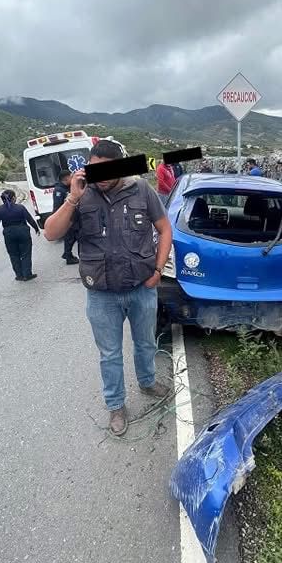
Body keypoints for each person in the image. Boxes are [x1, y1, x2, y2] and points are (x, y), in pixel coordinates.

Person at [43, 140, 174, 437]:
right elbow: (50, 233)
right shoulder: (81, 195)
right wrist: (72, 199)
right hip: (102, 294)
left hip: (142, 287)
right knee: (110, 354)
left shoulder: (142, 190)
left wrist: (157, 271)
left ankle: (148, 381)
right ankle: (116, 405)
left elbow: (165, 229)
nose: (98, 176)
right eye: (93, 169)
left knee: (145, 344)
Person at [0, 189, 40, 281]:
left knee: (13, 255)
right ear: (13, 198)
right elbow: (29, 219)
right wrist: (36, 228)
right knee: (26, 253)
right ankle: (27, 274)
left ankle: (19, 275)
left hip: (9, 234)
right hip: (23, 232)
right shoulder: (20, 207)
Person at [52, 169, 79, 265]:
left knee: (73, 237)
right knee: (70, 237)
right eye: (71, 177)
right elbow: (57, 206)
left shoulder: (67, 187)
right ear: (66, 178)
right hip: (67, 219)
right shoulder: (59, 190)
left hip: (73, 216)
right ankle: (68, 255)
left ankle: (67, 254)